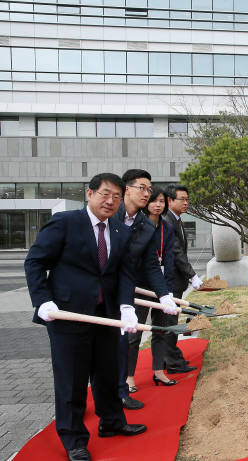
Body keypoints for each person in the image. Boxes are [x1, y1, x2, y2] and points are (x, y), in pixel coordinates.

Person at [24, 173, 147, 461]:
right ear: (89, 194)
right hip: (68, 316)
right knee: (72, 380)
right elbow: (35, 261)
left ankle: (112, 422)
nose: (110, 201)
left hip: (105, 316)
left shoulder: (120, 230)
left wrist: (126, 305)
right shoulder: (66, 223)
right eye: (105, 194)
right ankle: (74, 439)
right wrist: (42, 301)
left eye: (116, 196)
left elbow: (124, 274)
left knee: (107, 373)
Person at [114, 170, 178, 410]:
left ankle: (120, 396)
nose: (148, 195)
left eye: (149, 190)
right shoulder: (111, 216)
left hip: (132, 287)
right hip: (111, 291)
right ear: (127, 189)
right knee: (124, 340)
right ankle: (121, 385)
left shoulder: (146, 227)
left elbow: (152, 263)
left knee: (125, 340)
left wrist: (164, 294)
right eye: (143, 189)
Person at [126, 187, 179, 389]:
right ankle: (129, 377)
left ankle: (159, 371)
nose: (158, 205)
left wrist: (169, 290)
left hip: (161, 286)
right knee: (135, 333)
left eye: (162, 201)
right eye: (154, 201)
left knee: (160, 330)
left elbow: (169, 258)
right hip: (140, 285)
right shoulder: (138, 225)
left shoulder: (167, 227)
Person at [161, 184, 201, 374]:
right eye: (181, 199)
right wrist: (192, 275)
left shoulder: (176, 219)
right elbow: (176, 253)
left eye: (187, 199)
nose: (186, 203)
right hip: (169, 281)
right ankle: (172, 361)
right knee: (170, 323)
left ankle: (168, 358)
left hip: (175, 280)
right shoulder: (168, 221)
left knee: (170, 321)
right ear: (170, 201)